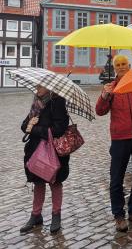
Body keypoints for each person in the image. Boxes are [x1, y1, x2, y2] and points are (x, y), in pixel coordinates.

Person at [95, 54, 132, 232]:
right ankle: (118, 215)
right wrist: (105, 96)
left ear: (129, 66)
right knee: (116, 179)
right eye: (118, 64)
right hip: (120, 139)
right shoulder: (112, 87)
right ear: (115, 68)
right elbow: (100, 111)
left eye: (124, 64)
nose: (121, 66)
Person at [20, 85, 70, 234]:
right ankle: (36, 215)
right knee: (38, 182)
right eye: (36, 86)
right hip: (35, 150)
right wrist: (29, 125)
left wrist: (34, 129)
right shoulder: (37, 103)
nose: (37, 89)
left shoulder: (58, 102)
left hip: (52, 151)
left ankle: (56, 215)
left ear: (48, 88)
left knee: (55, 183)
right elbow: (24, 126)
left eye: (40, 86)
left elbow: (60, 128)